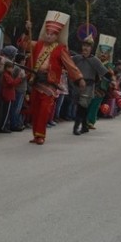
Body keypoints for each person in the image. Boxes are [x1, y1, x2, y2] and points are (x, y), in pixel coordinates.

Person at [26, 11, 84, 145]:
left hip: (49, 83)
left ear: (57, 36)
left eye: (52, 34)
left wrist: (79, 78)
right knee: (35, 109)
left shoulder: (60, 49)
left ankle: (41, 135)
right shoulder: (38, 44)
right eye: (47, 33)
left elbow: (70, 65)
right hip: (36, 81)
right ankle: (36, 134)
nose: (48, 36)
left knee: (44, 110)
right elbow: (25, 44)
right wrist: (27, 29)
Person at [71, 36, 110, 136]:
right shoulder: (76, 58)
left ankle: (76, 128)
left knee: (82, 106)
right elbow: (67, 63)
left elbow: (104, 72)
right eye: (84, 45)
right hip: (77, 86)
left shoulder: (95, 60)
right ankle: (84, 127)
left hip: (88, 87)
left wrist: (112, 79)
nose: (85, 48)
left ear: (91, 48)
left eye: (88, 46)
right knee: (81, 108)